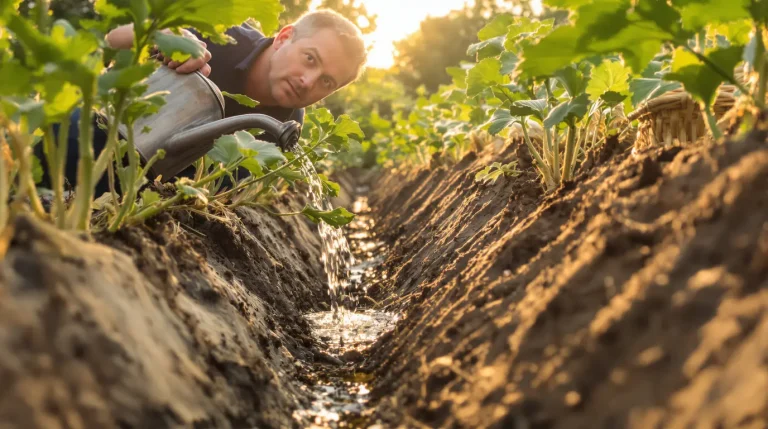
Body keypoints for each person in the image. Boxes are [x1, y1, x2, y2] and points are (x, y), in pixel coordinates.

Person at [39, 10, 367, 194]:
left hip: (128, 194)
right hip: (76, 137)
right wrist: (163, 39)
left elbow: (213, 194)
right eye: (310, 59)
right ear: (283, 38)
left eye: (327, 82)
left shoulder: (284, 129)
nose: (309, 82)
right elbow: (107, 41)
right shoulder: (221, 34)